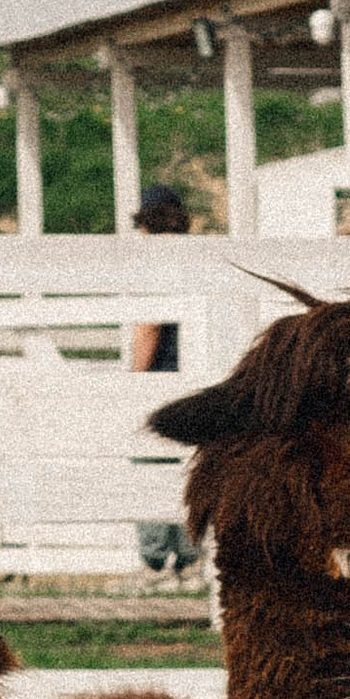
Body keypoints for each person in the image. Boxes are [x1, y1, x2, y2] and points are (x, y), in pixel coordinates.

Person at [126, 181, 195, 575]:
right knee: (187, 464)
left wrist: (135, 378)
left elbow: (149, 327)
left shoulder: (153, 261)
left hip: (159, 373)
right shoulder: (193, 257)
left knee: (151, 463)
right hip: (191, 370)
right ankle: (188, 555)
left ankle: (154, 558)